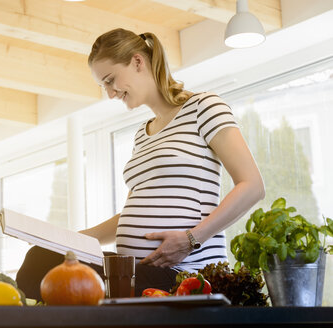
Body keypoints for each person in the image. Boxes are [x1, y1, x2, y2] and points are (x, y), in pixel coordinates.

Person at [16, 28, 265, 299]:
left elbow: (252, 185)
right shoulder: (142, 134)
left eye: (111, 80)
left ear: (137, 62)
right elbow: (132, 213)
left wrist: (191, 239)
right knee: (40, 257)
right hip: (132, 271)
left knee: (44, 269)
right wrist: (71, 240)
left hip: (183, 273)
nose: (111, 94)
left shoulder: (203, 107)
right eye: (104, 86)